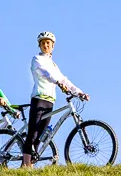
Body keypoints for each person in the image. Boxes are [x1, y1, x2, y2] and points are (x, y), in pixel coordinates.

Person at [23, 31, 89, 167]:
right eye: (43, 43)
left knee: (41, 134)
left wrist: (79, 92)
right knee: (33, 132)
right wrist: (58, 82)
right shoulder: (37, 59)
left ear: (53, 46)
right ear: (39, 46)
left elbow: (64, 79)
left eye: (48, 43)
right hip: (39, 98)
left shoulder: (53, 65)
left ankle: (30, 164)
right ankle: (25, 164)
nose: (46, 45)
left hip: (50, 101)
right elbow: (44, 73)